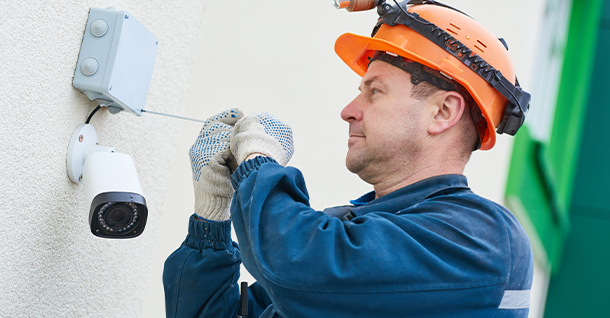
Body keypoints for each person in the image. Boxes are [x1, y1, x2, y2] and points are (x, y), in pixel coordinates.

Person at [163, 1, 534, 317]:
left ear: (442, 112)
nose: (348, 111)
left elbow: (299, 267)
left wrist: (259, 163)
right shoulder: (360, 233)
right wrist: (212, 220)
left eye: (375, 92)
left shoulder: (484, 239)